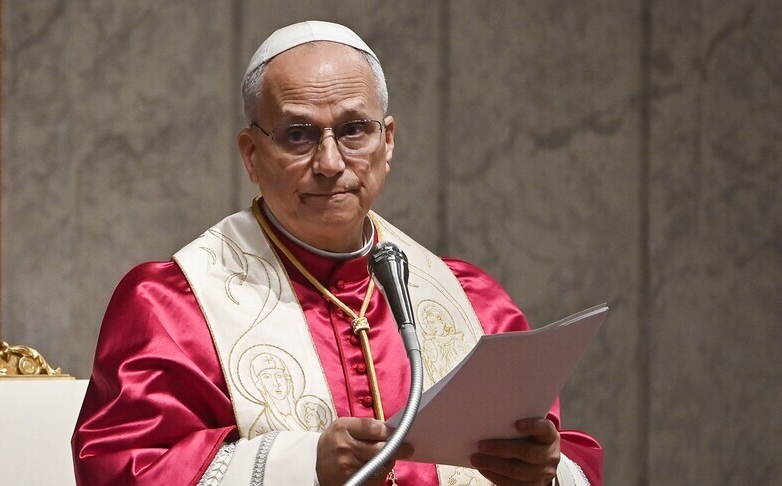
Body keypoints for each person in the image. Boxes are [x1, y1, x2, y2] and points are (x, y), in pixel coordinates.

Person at [72, 20, 603, 486]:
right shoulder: (174, 307)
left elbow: (562, 448)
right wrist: (304, 467)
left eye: (353, 130)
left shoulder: (474, 302)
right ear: (251, 155)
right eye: (298, 135)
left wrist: (543, 473)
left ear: (387, 142)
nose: (330, 163)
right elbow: (121, 468)